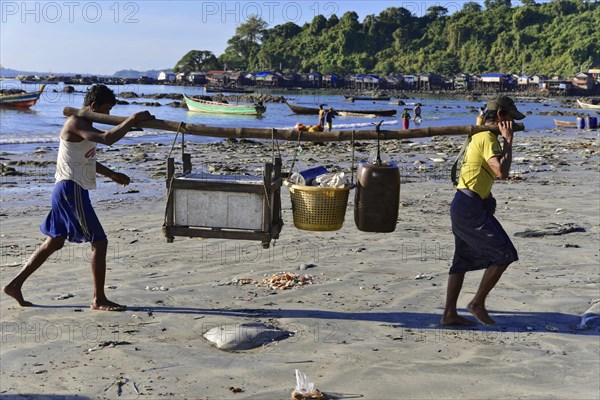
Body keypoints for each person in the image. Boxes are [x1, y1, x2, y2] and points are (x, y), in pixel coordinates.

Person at [2, 84, 154, 311]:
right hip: (70, 189)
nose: (109, 115)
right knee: (100, 242)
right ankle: (98, 299)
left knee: (54, 241)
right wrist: (131, 120)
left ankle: (15, 285)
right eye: (107, 109)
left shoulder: (85, 124)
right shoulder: (76, 123)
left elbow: (86, 159)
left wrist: (111, 174)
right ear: (93, 106)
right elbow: (107, 138)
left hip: (67, 188)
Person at [441, 95, 525, 326]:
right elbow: (501, 172)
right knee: (504, 254)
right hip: (469, 208)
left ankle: (449, 314)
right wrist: (508, 140)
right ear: (500, 116)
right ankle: (477, 303)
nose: (512, 122)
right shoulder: (487, 137)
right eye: (510, 118)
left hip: (466, 203)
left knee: (462, 261)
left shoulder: (478, 134)